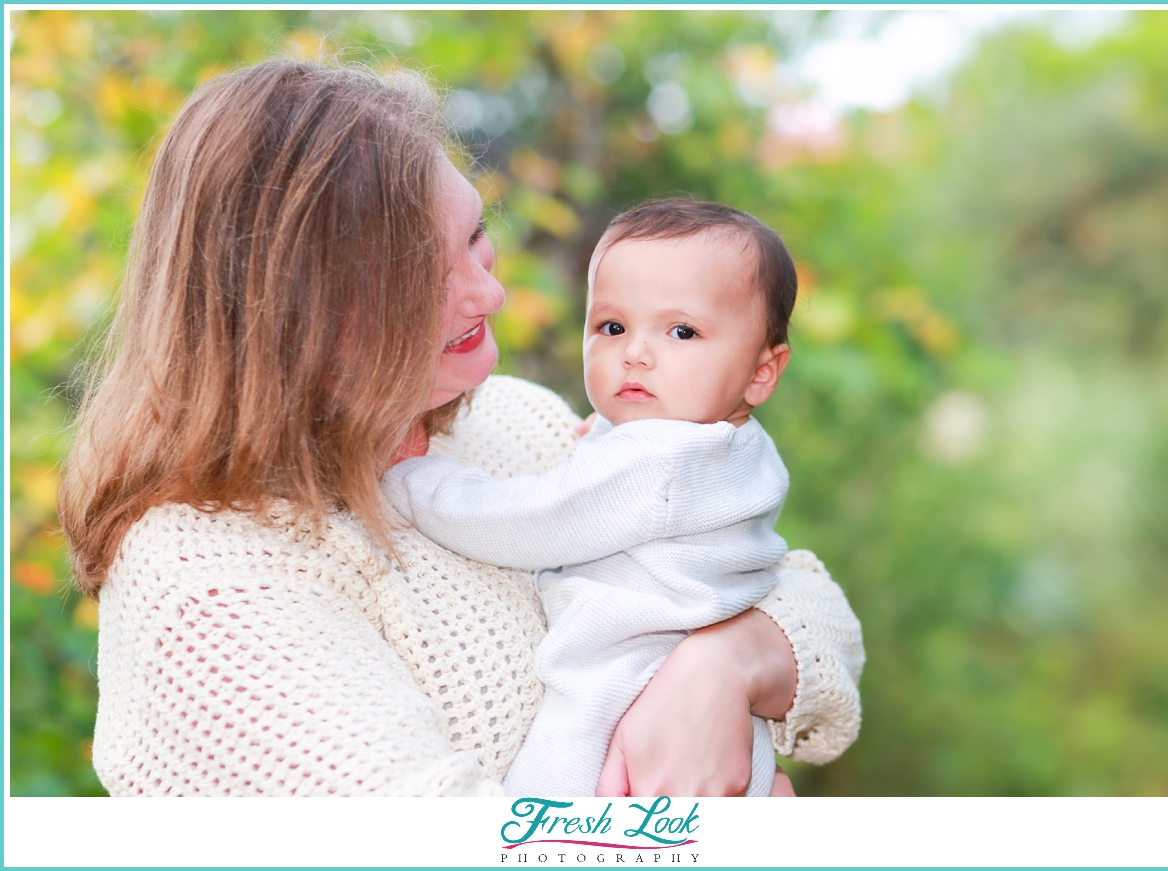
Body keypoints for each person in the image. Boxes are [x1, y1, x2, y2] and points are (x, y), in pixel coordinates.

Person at [57, 58, 865, 797]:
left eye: (476, 237)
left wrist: (721, 668)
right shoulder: (206, 589)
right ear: (288, 318)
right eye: (423, 278)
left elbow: (796, 588)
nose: (487, 293)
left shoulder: (508, 419)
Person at [386, 200, 800, 797]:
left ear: (763, 372)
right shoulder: (734, 450)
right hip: (714, 725)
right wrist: (609, 439)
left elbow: (529, 521)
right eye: (612, 327)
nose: (635, 352)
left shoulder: (657, 463)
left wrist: (416, 482)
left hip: (620, 702)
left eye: (681, 331)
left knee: (541, 814)